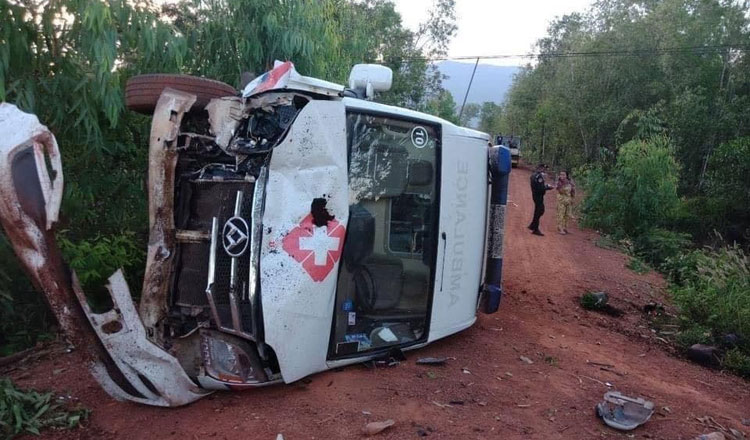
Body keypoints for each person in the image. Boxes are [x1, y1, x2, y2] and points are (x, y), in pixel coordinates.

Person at [528, 163, 552, 236]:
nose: (545, 170)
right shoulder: (539, 176)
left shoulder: (534, 175)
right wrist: (548, 187)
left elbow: (538, 186)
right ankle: (535, 229)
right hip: (538, 195)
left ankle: (532, 225)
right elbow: (540, 188)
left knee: (538, 210)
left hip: (535, 195)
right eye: (544, 169)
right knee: (540, 211)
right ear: (541, 168)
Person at [555, 170, 576, 234]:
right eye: (561, 174)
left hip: (568, 200)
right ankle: (560, 228)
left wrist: (572, 199)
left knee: (567, 215)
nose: (562, 176)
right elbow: (560, 191)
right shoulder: (559, 182)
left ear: (566, 175)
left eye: (563, 175)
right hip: (561, 200)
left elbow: (572, 191)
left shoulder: (570, 182)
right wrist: (561, 182)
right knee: (560, 214)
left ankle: (565, 228)